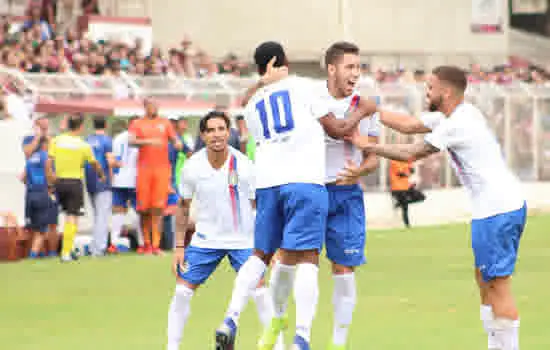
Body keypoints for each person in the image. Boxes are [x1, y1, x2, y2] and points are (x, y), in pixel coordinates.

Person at [347, 66, 526, 350]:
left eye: (429, 87)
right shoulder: (457, 114)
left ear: (446, 92)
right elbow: (407, 124)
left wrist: (368, 146)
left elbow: (411, 152)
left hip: (498, 210)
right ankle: (496, 344)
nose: (425, 92)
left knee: (497, 284)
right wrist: (371, 109)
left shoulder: (457, 124)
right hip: (496, 208)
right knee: (484, 277)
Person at [214, 42, 377, 350]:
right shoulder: (303, 87)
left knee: (260, 256)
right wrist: (363, 112)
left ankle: (230, 318)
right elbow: (338, 129)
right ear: (281, 62)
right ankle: (302, 337)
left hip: (268, 186)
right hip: (304, 182)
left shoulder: (251, 104)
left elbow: (258, 123)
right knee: (308, 260)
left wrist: (262, 82)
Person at [168, 111, 283, 350]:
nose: (217, 135)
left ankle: (280, 346)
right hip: (205, 241)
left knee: (260, 293)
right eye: (210, 130)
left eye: (221, 129)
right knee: (181, 292)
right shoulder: (192, 167)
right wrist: (179, 246)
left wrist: (271, 245)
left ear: (229, 131)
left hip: (243, 241)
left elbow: (260, 207)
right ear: (203, 135)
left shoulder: (244, 166)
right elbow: (183, 206)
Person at [316, 41, 380, 350]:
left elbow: (372, 156)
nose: (356, 73)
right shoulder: (314, 101)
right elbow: (338, 130)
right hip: (311, 193)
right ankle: (290, 333)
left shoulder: (367, 107)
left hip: (346, 195)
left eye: (359, 67)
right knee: (297, 263)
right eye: (349, 67)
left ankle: (338, 343)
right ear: (332, 68)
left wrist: (360, 172)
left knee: (344, 268)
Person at [46, 115, 106, 262]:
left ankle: (70, 249)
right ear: (80, 127)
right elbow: (94, 163)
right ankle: (65, 252)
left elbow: (48, 163)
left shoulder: (57, 140)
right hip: (74, 183)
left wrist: (50, 180)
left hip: (59, 182)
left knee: (67, 216)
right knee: (72, 217)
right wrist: (101, 175)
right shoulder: (83, 144)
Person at [129, 99, 182, 255]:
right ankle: (145, 244)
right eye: (152, 106)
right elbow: (131, 141)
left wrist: (178, 142)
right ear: (146, 107)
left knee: (158, 209)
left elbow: (174, 139)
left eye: (157, 106)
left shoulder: (165, 123)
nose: (155, 108)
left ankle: (155, 246)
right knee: (143, 209)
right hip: (144, 170)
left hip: (161, 171)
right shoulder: (137, 123)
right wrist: (148, 141)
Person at [21, 117, 59, 258]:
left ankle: (53, 252)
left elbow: (56, 153)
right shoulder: (29, 139)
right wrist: (38, 136)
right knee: (35, 225)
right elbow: (27, 152)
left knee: (53, 222)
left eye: (46, 124)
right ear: (35, 125)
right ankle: (38, 252)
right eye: (42, 124)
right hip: (37, 190)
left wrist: (48, 138)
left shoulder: (52, 139)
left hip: (49, 190)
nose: (45, 126)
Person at [111, 117, 144, 253]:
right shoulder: (140, 139)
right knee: (140, 212)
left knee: (119, 211)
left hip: (119, 180)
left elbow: (114, 160)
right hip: (135, 180)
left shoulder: (118, 138)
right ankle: (142, 244)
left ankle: (113, 243)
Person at [85, 116, 117, 256]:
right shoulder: (107, 141)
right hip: (103, 181)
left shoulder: (87, 140)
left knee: (97, 215)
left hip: (89, 180)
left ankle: (94, 246)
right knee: (102, 216)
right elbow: (110, 162)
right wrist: (113, 178)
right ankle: (99, 248)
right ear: (105, 124)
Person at [389, 159, 425, 228]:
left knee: (421, 197)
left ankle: (399, 204)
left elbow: (412, 170)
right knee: (405, 207)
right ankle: (407, 225)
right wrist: (409, 172)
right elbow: (400, 173)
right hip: (397, 188)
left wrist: (411, 169)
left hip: (406, 186)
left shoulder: (406, 160)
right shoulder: (394, 161)